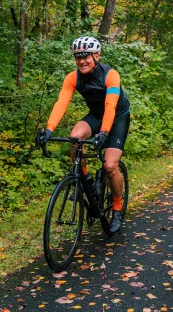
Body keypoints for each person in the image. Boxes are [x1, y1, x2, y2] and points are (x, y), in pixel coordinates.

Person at [36, 36, 130, 233]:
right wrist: (49, 129)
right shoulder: (73, 77)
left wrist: (104, 132)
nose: (81, 61)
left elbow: (110, 105)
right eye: (77, 57)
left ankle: (118, 208)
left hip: (117, 117)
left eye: (85, 56)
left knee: (110, 166)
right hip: (96, 116)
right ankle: (86, 181)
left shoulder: (110, 75)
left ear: (96, 55)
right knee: (75, 138)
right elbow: (61, 103)